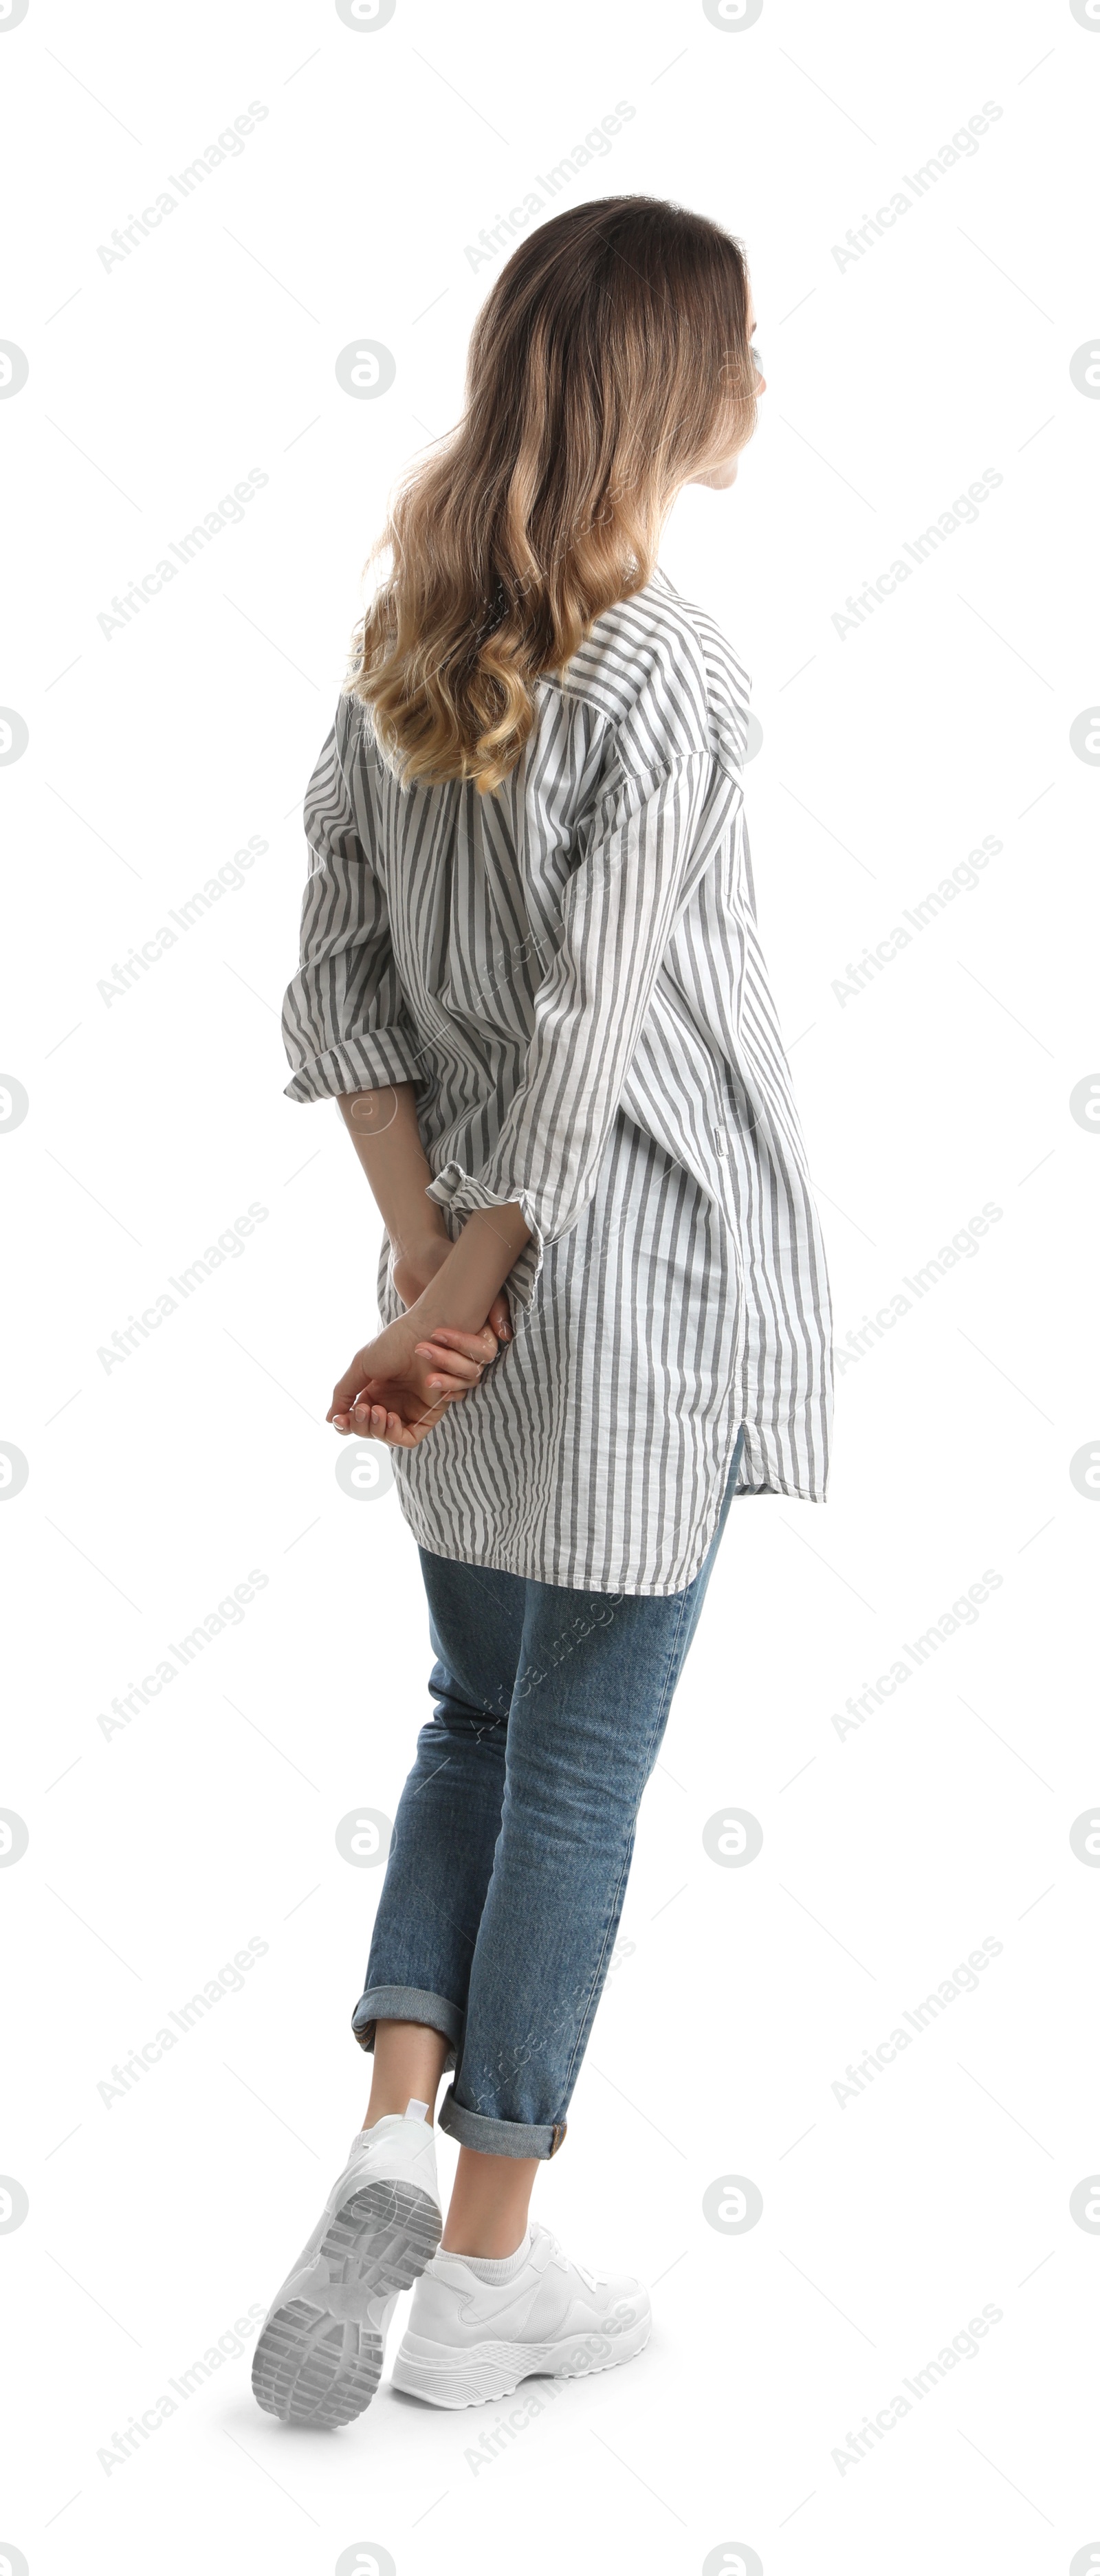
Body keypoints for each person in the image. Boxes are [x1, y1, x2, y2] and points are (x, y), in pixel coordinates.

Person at [252, 195, 833, 2430]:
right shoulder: (667, 667)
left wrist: (417, 1274)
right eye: (738, 342)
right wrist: (482, 1276)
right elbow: (594, 1030)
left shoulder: (408, 638)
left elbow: (336, 982)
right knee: (579, 1768)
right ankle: (486, 2265)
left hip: (457, 1319)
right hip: (637, 1295)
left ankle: (397, 2119)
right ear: (674, 388)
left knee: (471, 1726)